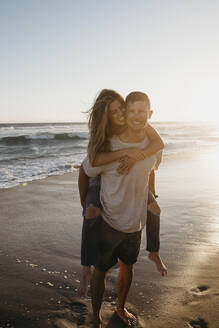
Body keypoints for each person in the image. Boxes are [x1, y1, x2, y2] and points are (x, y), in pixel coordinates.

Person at [81, 91, 165, 327]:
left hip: (135, 224)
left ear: (149, 114)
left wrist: (152, 195)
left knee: (128, 267)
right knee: (101, 271)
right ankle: (96, 316)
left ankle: (119, 308)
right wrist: (86, 204)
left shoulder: (153, 147)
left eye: (142, 112)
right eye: (132, 111)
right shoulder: (108, 147)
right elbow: (86, 171)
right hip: (108, 222)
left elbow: (152, 170)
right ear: (126, 114)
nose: (137, 116)